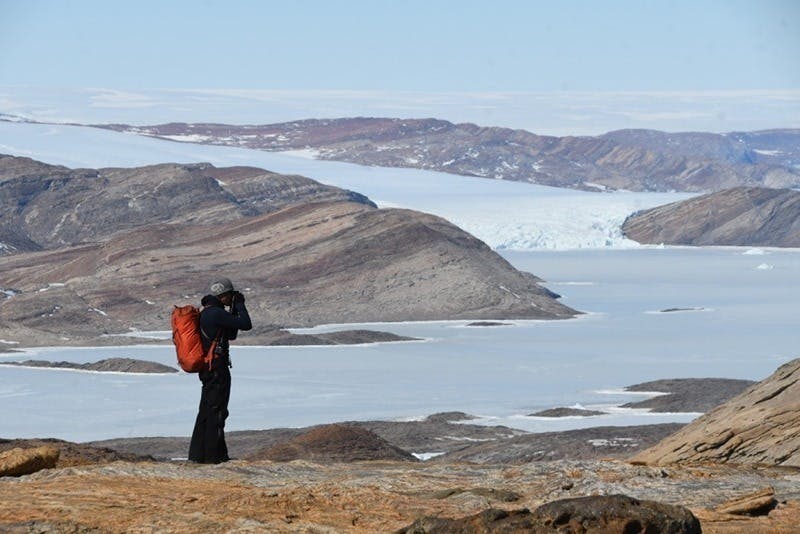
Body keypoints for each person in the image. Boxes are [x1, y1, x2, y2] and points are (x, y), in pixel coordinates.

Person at [188, 277, 252, 463]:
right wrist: (239, 305)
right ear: (224, 295)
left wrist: (232, 310)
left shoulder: (207, 312)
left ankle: (199, 455)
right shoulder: (215, 313)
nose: (232, 298)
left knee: (207, 410)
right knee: (217, 410)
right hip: (216, 368)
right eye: (230, 295)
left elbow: (231, 333)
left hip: (209, 368)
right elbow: (246, 324)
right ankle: (214, 457)